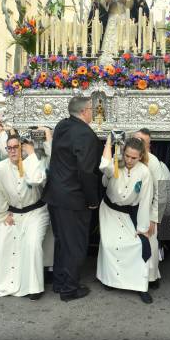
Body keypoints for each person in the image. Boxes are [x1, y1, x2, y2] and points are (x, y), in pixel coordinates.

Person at [43, 96, 102, 302]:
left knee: (62, 242)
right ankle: (69, 289)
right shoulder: (86, 134)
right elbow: (86, 172)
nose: (93, 112)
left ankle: (60, 282)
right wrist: (93, 199)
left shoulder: (61, 126)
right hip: (73, 198)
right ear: (85, 110)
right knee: (75, 244)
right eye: (92, 109)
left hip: (55, 195)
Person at [0, 134, 48, 300]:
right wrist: (1, 215)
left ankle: (34, 287)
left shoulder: (35, 162)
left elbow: (36, 179)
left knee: (32, 244)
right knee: (2, 238)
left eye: (16, 147)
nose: (13, 151)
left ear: (22, 148)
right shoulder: (0, 168)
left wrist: (30, 155)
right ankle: (4, 281)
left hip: (36, 213)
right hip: (13, 213)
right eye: (10, 148)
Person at [97, 136, 154, 304]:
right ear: (123, 152)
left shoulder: (144, 172)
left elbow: (145, 200)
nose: (129, 160)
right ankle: (110, 280)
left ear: (141, 156)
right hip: (110, 211)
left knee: (137, 245)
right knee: (109, 245)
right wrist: (109, 142)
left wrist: (142, 227)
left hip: (130, 213)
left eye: (134, 157)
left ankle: (140, 285)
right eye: (127, 156)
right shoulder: (114, 164)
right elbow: (104, 166)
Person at [133, 128, 166, 290]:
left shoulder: (152, 161)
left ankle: (152, 277)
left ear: (148, 145)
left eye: (142, 142)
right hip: (130, 210)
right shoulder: (127, 158)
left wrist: (154, 218)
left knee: (150, 242)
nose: (138, 144)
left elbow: (160, 192)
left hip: (148, 211)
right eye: (136, 140)